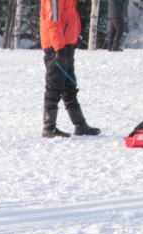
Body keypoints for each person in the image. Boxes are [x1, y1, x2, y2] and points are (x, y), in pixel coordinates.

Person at [40, 0, 101, 138]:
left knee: (69, 85)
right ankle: (49, 128)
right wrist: (59, 48)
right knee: (54, 86)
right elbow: (52, 21)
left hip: (66, 45)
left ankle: (80, 125)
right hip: (56, 46)